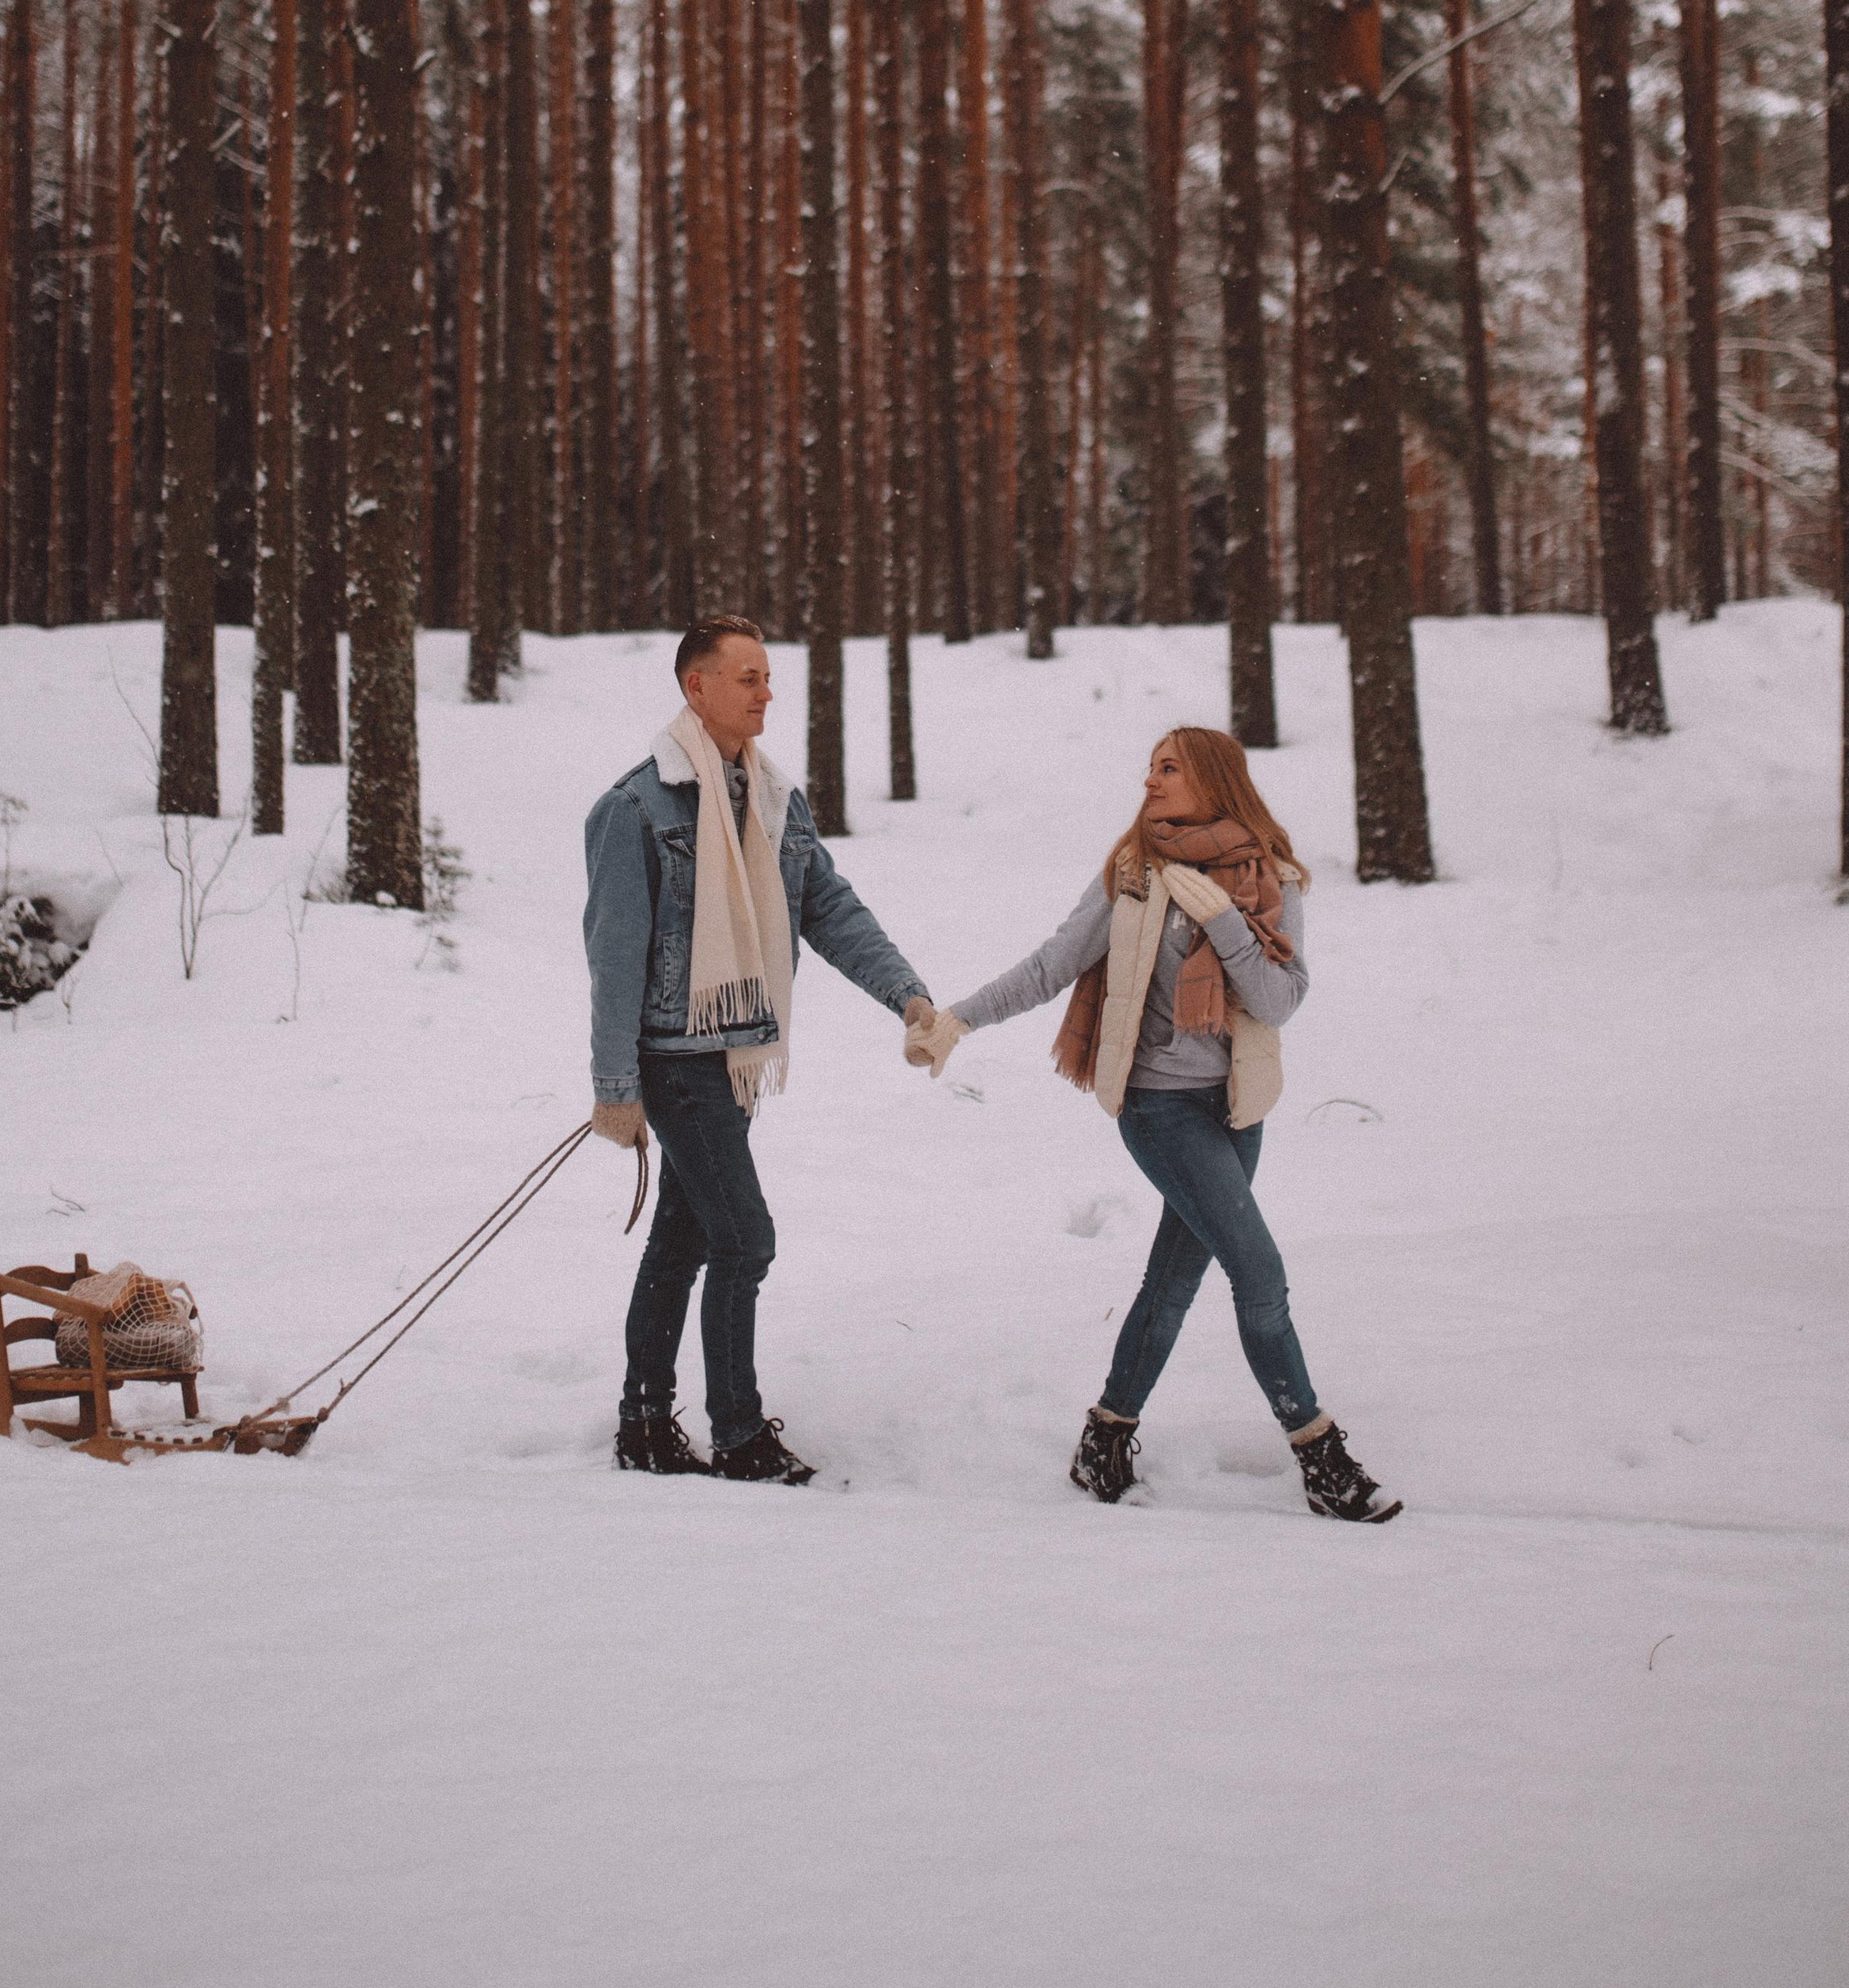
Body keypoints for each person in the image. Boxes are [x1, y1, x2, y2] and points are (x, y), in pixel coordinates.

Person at [909, 724, 1400, 1523]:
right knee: (1259, 1273)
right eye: (1148, 768)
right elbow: (1049, 966)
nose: (1150, 782)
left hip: (1237, 1109)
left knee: (1172, 1281)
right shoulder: (1132, 875)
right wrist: (955, 1021)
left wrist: (1227, 925)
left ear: (1213, 779)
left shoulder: (1269, 877)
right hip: (1159, 1108)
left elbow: (1277, 1002)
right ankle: (1320, 1457)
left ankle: (1104, 1435)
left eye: (1167, 768)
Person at [584, 614, 936, 1484]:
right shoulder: (633, 808)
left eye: (766, 675)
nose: (766, 690)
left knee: (685, 1236)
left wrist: (907, 993)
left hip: (738, 1057)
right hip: (674, 1059)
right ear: (694, 687)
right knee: (745, 1240)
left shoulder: (774, 798)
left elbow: (829, 908)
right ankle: (738, 1436)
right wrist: (615, 1086)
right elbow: (614, 954)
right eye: (746, 677)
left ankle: (643, 1423)